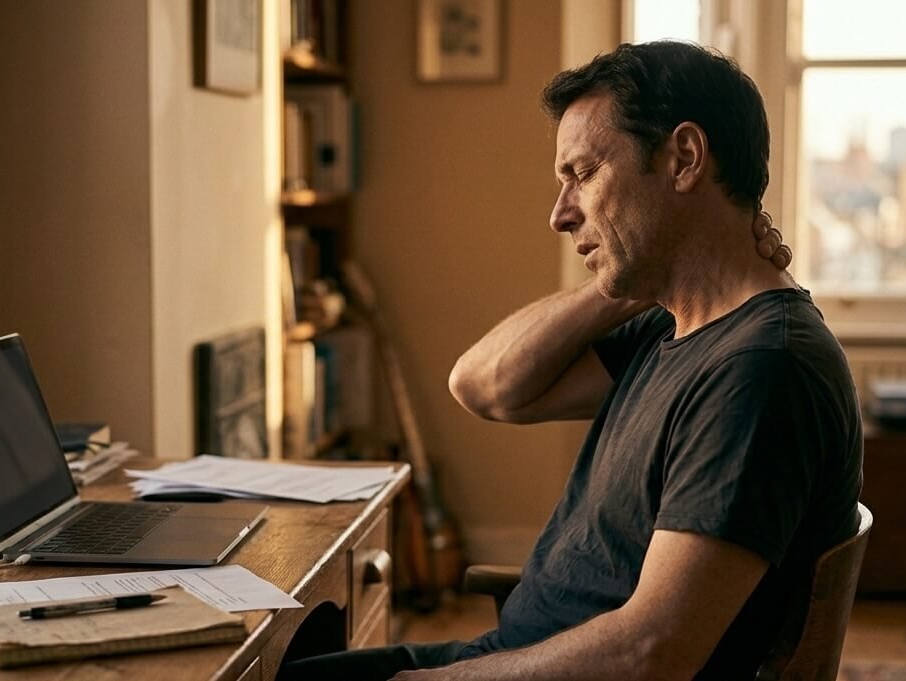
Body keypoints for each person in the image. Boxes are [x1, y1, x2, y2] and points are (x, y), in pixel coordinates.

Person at [279, 40, 863, 681]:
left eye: (581, 174)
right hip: (511, 657)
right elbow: (483, 386)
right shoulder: (668, 326)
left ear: (684, 158)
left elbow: (653, 652)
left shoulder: (762, 369)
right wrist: (636, 277)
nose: (560, 214)